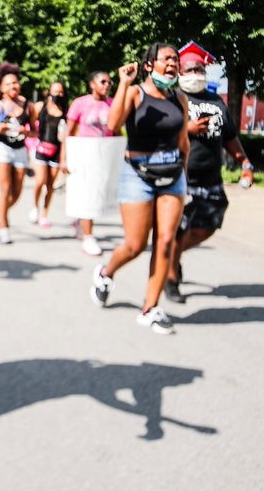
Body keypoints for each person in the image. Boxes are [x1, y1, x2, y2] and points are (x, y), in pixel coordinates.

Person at [90, 43, 189, 335]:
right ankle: (106, 273)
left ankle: (150, 308)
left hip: (173, 175)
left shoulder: (179, 98)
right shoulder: (135, 92)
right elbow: (112, 124)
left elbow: (184, 141)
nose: (173, 63)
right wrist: (123, 83)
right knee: (135, 245)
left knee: (166, 241)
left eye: (176, 59)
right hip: (137, 175)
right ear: (150, 65)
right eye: (166, 59)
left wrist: (187, 175)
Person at [166, 43, 254, 302]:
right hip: (180, 178)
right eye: (190, 69)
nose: (196, 73)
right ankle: (171, 280)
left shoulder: (216, 101)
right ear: (180, 73)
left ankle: (174, 255)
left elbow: (230, 138)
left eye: (200, 69)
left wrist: (245, 164)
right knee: (177, 231)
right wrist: (187, 129)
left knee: (208, 227)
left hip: (211, 180)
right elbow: (159, 135)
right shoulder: (173, 99)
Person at [60, 71, 115, 256]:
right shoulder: (80, 103)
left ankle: (80, 220)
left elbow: (116, 131)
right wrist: (63, 158)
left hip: (104, 155)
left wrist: (124, 150)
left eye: (109, 82)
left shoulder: (112, 104)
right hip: (84, 154)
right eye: (103, 81)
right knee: (88, 193)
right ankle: (89, 237)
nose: (106, 85)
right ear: (92, 84)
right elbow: (68, 132)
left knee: (98, 194)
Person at [0, 62, 31, 244]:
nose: (13, 86)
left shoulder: (29, 106)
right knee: (5, 189)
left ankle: (1, 210)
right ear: (2, 88)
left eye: (15, 83)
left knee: (17, 192)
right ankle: (4, 228)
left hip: (21, 150)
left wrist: (26, 132)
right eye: (8, 84)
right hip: (2, 150)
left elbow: (35, 132)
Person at [29, 81, 67, 228]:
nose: (58, 94)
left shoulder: (65, 111)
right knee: (40, 181)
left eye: (61, 92)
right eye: (55, 91)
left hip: (56, 151)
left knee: (50, 185)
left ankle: (44, 214)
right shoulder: (41, 107)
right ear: (49, 91)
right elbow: (31, 123)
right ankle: (35, 206)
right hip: (41, 149)